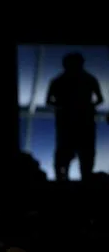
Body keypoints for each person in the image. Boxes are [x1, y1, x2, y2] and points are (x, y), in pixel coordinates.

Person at [46, 52, 104, 181]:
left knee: (65, 155)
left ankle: (63, 178)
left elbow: (49, 102)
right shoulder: (89, 79)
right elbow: (100, 99)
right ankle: (84, 179)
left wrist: (62, 107)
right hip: (84, 123)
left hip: (67, 123)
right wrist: (88, 107)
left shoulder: (58, 81)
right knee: (85, 156)